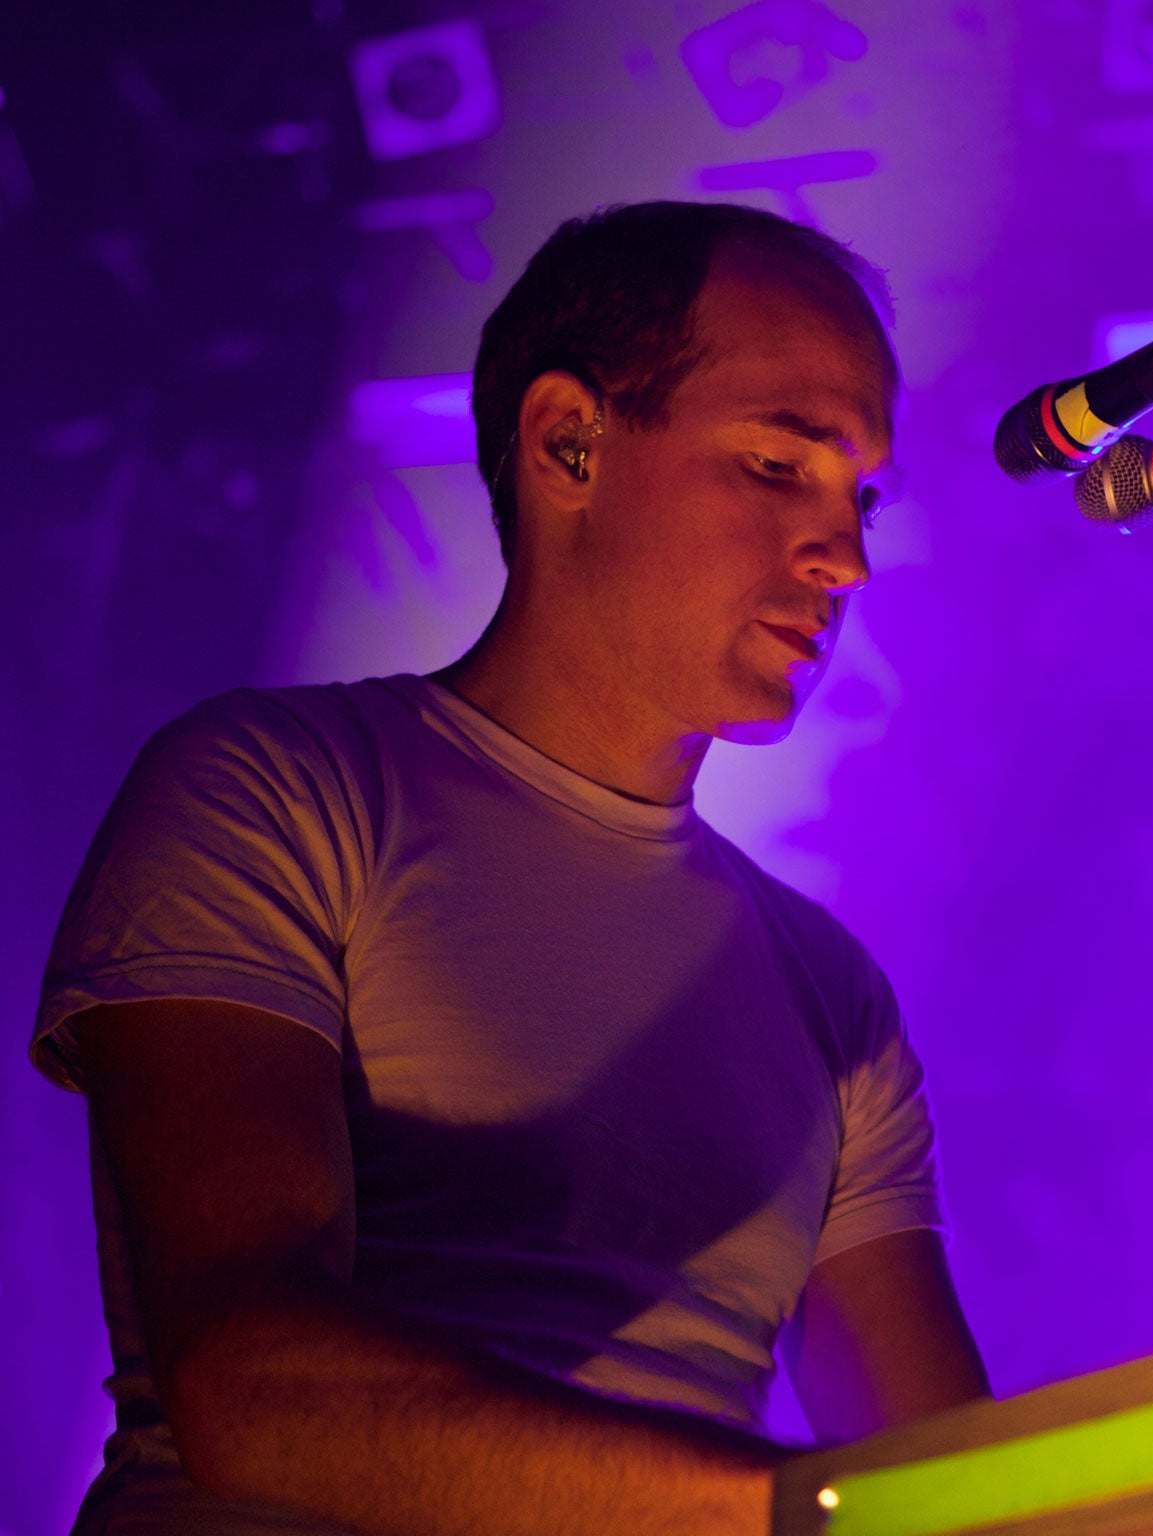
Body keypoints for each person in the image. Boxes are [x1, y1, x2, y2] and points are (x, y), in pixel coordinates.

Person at [30, 200, 989, 1536]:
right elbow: (258, 1392)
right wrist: (808, 1514)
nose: (847, 556)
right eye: (782, 467)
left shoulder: (833, 995)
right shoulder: (277, 788)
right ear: (569, 441)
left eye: (862, 497)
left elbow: (955, 1491)